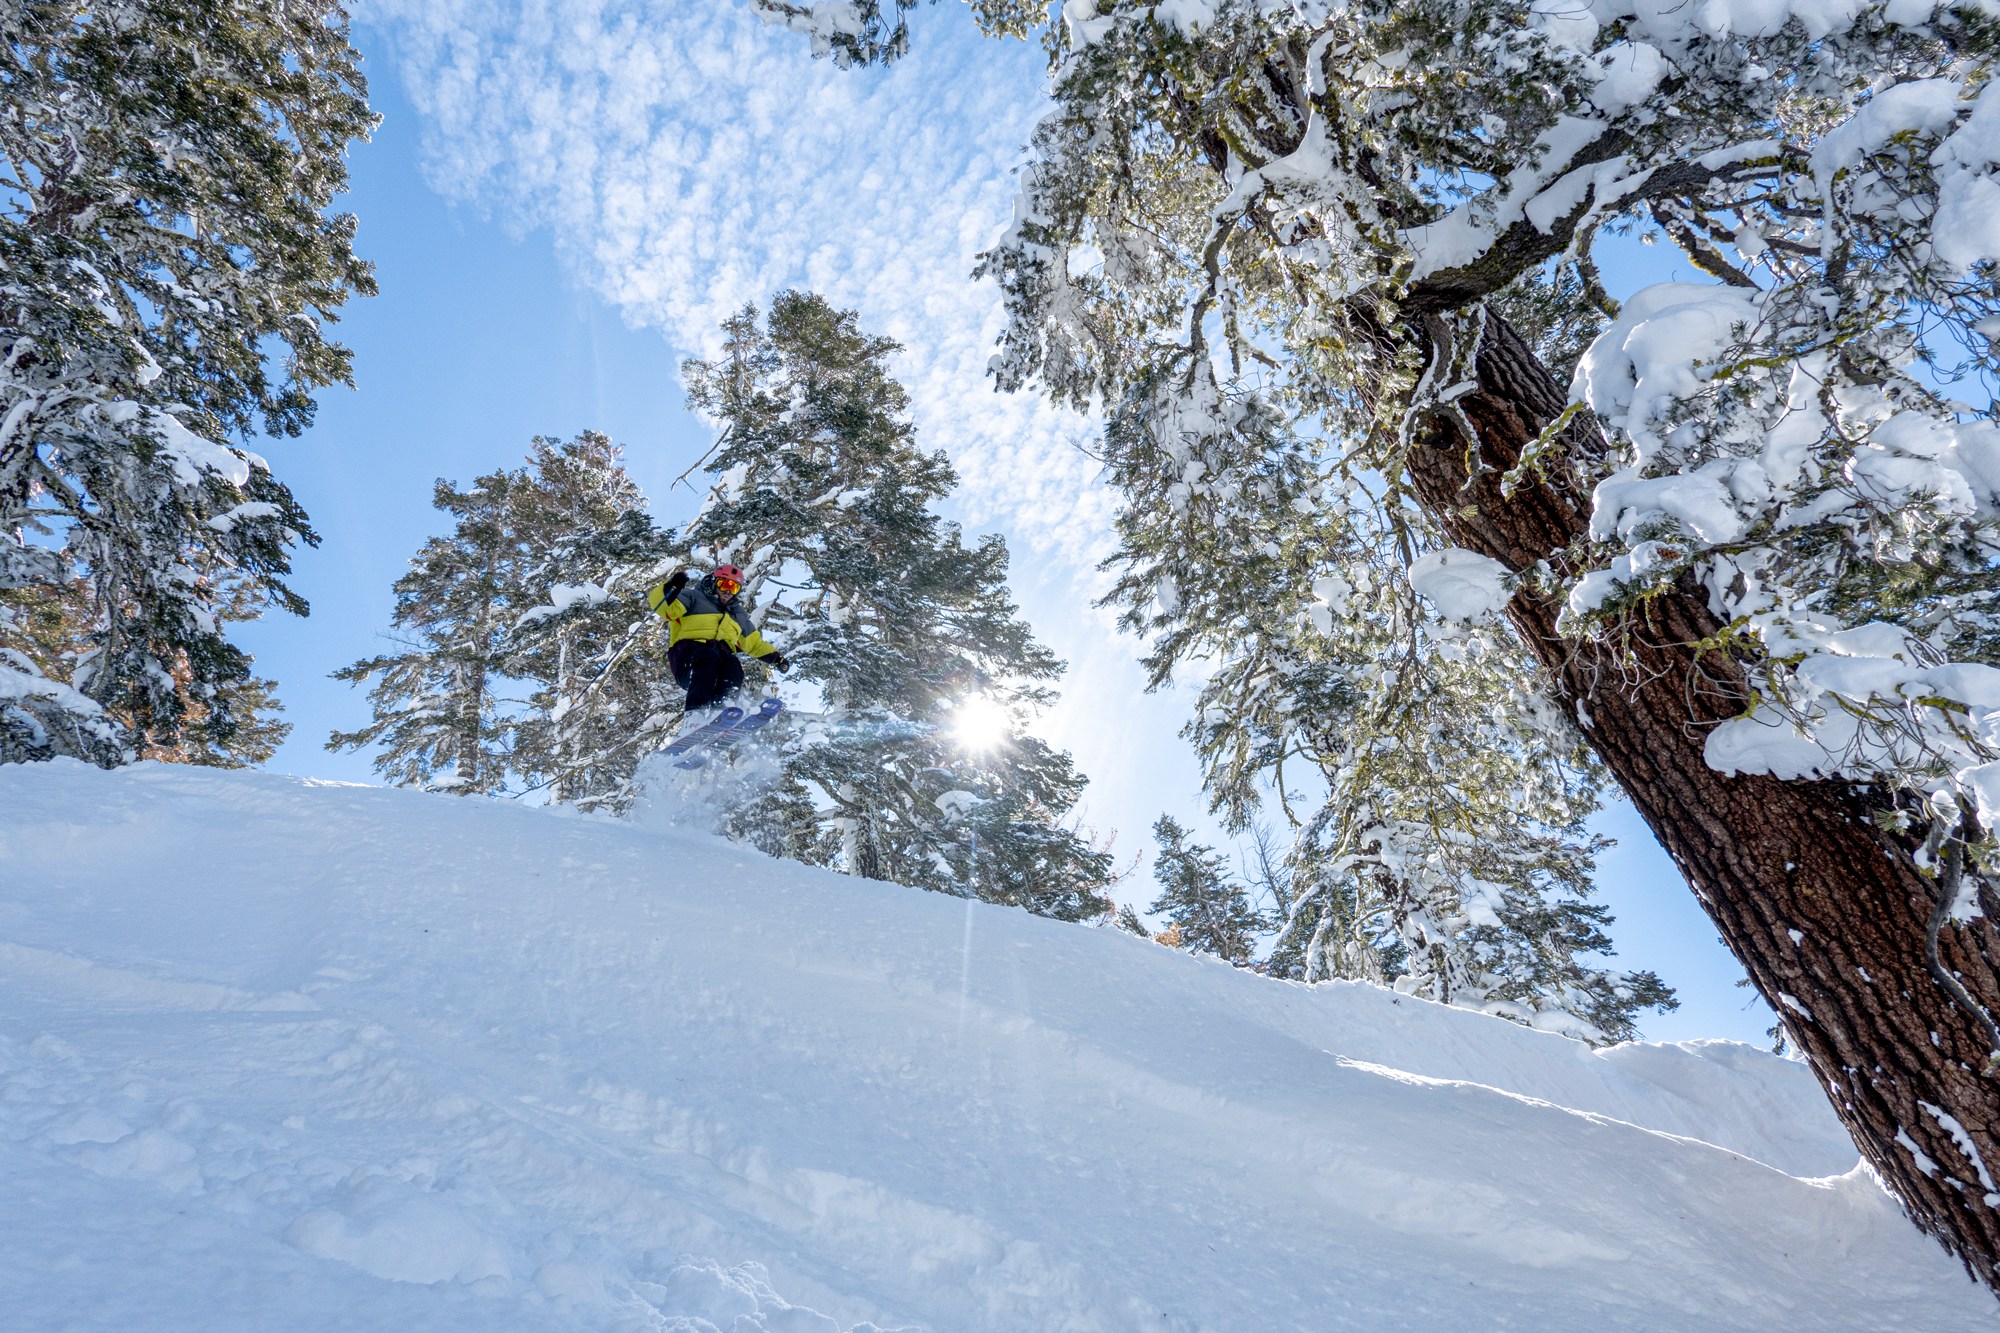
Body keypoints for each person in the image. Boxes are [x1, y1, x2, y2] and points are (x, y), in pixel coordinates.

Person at [646, 563, 790, 713]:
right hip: (687, 657)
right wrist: (671, 587)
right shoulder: (694, 597)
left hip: (718, 659)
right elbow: (665, 608)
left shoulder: (737, 614)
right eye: (724, 584)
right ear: (715, 582)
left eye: (733, 588)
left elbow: (753, 642)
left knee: (733, 668)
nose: (728, 591)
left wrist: (776, 659)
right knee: (707, 657)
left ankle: (720, 711)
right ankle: (696, 713)